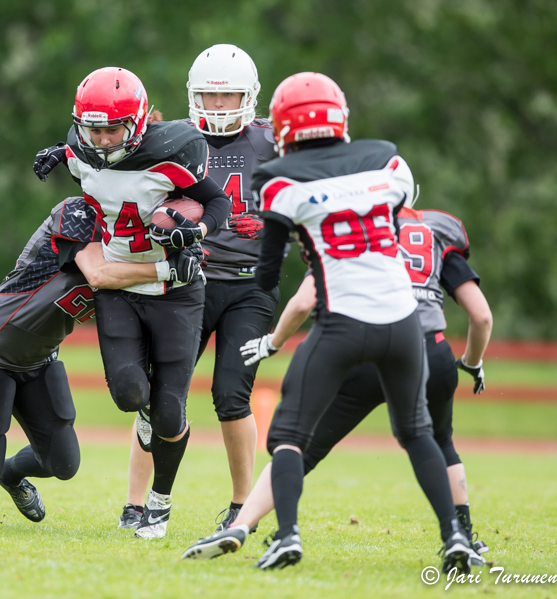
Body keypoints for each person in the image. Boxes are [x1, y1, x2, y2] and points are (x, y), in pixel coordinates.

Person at [178, 71, 479, 572]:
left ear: (282, 124)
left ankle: (287, 535)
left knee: (289, 436)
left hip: (341, 321)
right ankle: (455, 538)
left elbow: (268, 273)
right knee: (418, 433)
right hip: (404, 321)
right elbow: (396, 214)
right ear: (339, 115)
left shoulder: (279, 181)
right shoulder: (389, 161)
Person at [182, 205, 493, 564]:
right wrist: (471, 362)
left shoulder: (349, 229)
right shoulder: (436, 231)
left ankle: (248, 525)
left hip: (358, 346)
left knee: (297, 444)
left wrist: (273, 342)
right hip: (425, 348)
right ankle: (459, 534)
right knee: (436, 441)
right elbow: (481, 315)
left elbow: (303, 301)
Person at [0, 196, 203, 526]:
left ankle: (11, 475)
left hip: (39, 358)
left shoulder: (143, 251)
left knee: (62, 463)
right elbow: (99, 274)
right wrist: (166, 270)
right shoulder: (81, 213)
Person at [33, 66, 232, 539]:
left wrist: (196, 230)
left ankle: (159, 503)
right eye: (92, 129)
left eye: (111, 129)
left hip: (176, 291)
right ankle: (146, 421)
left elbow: (218, 203)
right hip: (119, 288)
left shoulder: (172, 152)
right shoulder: (80, 149)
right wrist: (62, 152)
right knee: (129, 395)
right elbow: (91, 159)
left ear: (139, 122)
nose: (100, 140)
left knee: (169, 412)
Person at [116, 45, 280, 534]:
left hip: (251, 286)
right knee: (158, 393)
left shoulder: (275, 142)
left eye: (228, 95)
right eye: (210, 95)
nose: (219, 105)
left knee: (232, 393)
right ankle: (135, 503)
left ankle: (240, 505)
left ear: (249, 96)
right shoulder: (178, 140)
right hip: (189, 281)